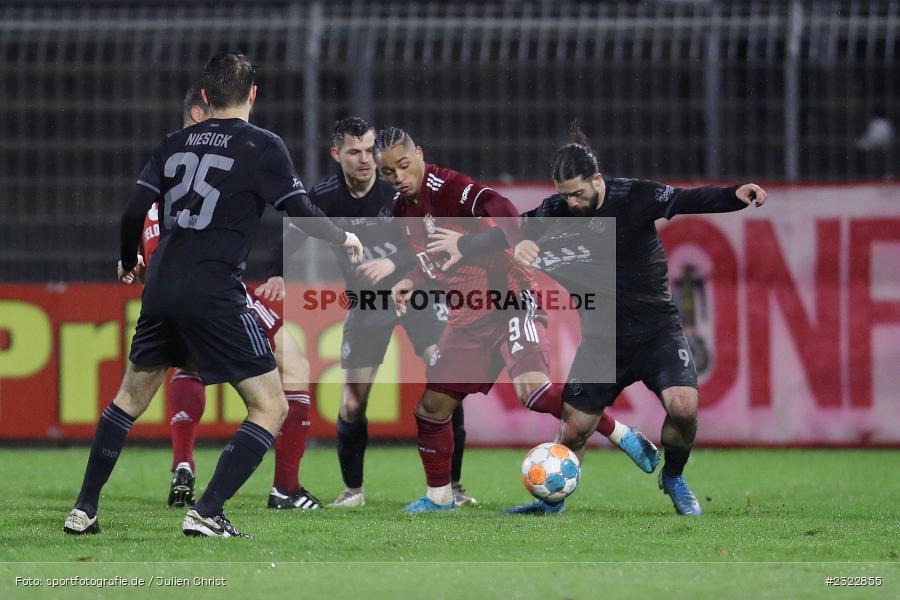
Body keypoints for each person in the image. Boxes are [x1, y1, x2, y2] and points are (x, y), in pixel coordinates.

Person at [63, 52, 362, 538]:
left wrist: (125, 260)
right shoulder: (262, 145)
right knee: (271, 406)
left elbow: (133, 211)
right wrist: (342, 237)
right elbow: (301, 211)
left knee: (127, 400)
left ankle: (84, 509)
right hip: (215, 291)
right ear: (252, 96)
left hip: (160, 286)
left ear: (204, 96)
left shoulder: (173, 143)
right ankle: (208, 511)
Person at [375, 126, 657, 513]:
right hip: (468, 315)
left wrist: (516, 237)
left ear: (419, 154)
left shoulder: (447, 186)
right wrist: (409, 279)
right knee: (431, 410)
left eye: (403, 166)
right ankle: (439, 498)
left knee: (534, 392)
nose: (398, 178)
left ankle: (621, 434)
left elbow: (498, 204)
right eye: (388, 173)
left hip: (509, 298)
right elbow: (434, 257)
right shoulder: (400, 209)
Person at [499, 125, 768, 515]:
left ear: (596, 178)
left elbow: (686, 198)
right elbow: (502, 228)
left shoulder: (634, 196)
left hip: (657, 329)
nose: (572, 202)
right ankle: (551, 504)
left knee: (683, 408)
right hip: (602, 340)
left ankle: (673, 476)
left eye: (578, 192)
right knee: (573, 430)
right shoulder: (553, 213)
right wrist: (494, 239)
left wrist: (733, 195)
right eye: (564, 194)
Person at [268, 117, 476, 508]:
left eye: (369, 151)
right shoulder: (325, 199)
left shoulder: (394, 192)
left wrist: (393, 263)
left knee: (446, 384)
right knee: (351, 404)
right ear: (337, 155)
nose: (366, 160)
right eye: (355, 152)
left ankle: (455, 487)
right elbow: (291, 234)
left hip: (417, 295)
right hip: (367, 306)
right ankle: (353, 491)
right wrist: (277, 272)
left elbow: (428, 240)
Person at [138, 86, 322, 511]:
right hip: (214, 292)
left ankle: (181, 463)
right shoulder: (229, 156)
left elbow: (145, 229)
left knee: (159, 381)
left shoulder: (166, 163)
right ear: (203, 113)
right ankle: (280, 490)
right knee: (288, 371)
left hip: (164, 294)